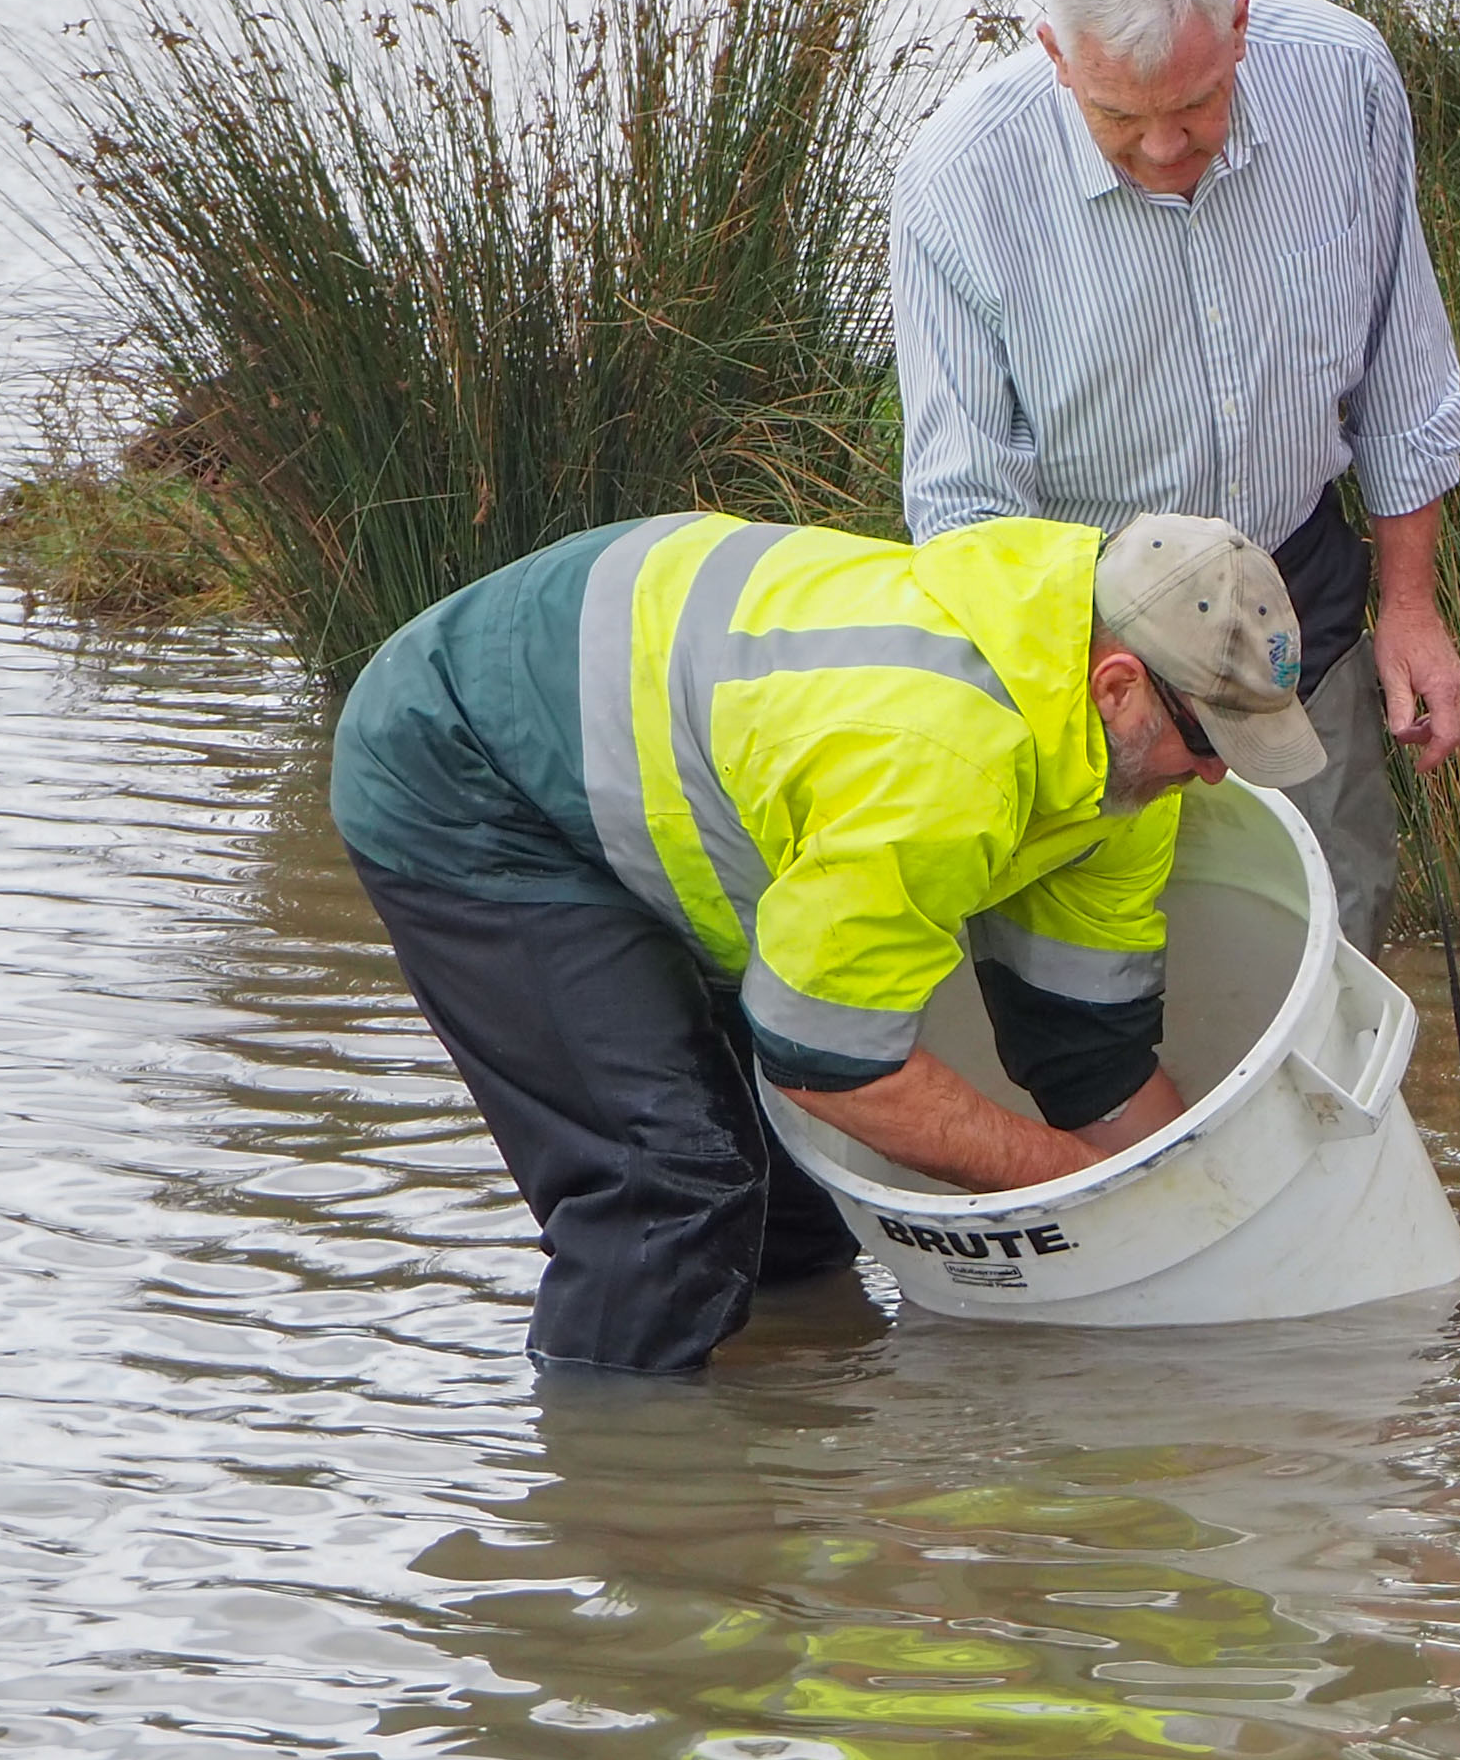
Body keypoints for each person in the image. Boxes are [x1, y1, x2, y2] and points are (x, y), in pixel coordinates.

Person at [330, 508, 1323, 1373]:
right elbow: (832, 1065)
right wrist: (1082, 1203)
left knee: (796, 1216)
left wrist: (1209, 1229)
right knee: (672, 1189)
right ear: (1118, 686)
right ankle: (623, 1513)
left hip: (669, 736)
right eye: (1209, 743)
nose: (1216, 779)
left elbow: (1087, 1045)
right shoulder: (941, 757)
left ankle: (792, 1435)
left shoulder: (1126, 766)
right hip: (469, 761)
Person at [891, 0, 1460, 953]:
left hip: (1300, 612)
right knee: (1097, 970)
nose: (1164, 144)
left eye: (1198, 102)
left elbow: (1404, 366)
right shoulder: (956, 181)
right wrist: (1087, 703)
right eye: (1118, 114)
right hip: (1088, 653)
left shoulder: (1345, 81)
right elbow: (964, 508)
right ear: (1054, 56)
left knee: (1332, 933)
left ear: (1240, 26)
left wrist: (1412, 605)